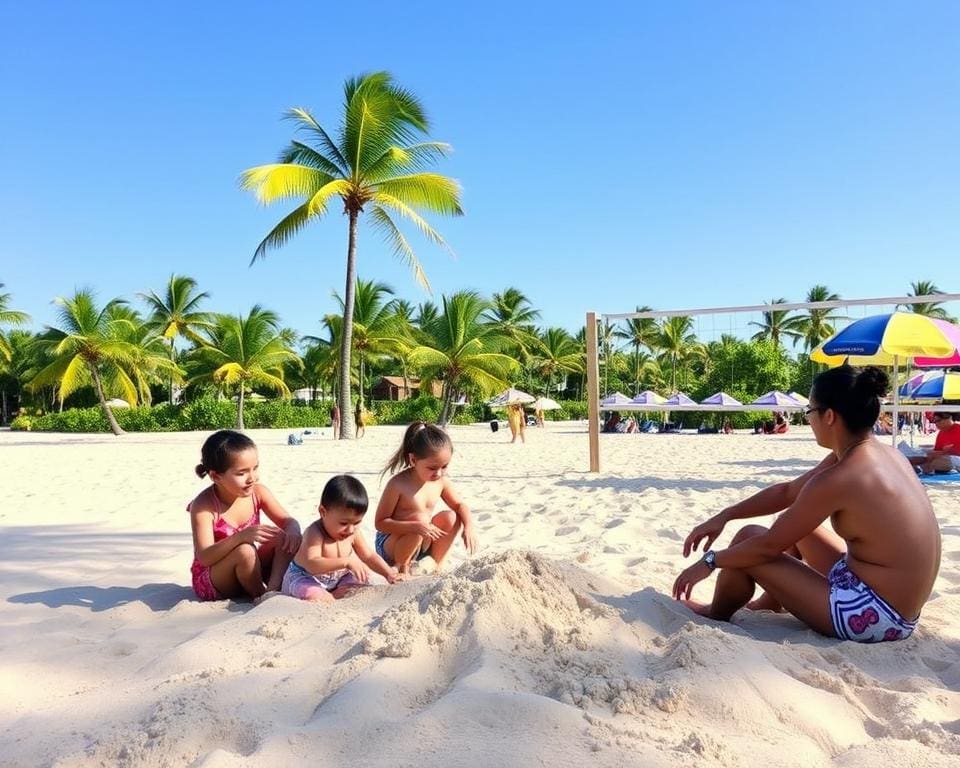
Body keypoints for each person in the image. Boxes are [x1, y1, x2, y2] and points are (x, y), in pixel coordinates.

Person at [673, 365, 941, 643]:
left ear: (828, 416)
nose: (808, 418)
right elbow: (788, 492)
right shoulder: (881, 453)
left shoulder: (843, 475)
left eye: (809, 411)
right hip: (899, 605)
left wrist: (709, 561)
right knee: (785, 524)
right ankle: (770, 601)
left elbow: (767, 547)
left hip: (875, 616)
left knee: (748, 541)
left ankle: (715, 613)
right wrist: (725, 515)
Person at [188, 430, 302, 601]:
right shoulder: (204, 506)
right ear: (215, 476)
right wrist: (240, 537)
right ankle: (259, 595)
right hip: (215, 579)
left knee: (282, 537)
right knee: (245, 551)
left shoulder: (258, 493)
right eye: (241, 473)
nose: (252, 478)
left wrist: (293, 530)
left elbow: (288, 521)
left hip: (249, 568)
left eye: (255, 468)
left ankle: (273, 589)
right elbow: (204, 557)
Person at [375, 422, 479, 574]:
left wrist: (469, 526)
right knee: (419, 522)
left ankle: (436, 564)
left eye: (444, 467)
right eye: (432, 468)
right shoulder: (397, 484)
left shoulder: (441, 481)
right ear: (413, 460)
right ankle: (401, 567)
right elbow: (380, 523)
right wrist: (414, 526)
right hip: (393, 544)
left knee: (452, 516)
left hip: (422, 538)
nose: (438, 473)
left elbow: (459, 505)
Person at [281, 475, 403, 602]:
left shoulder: (353, 532)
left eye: (356, 523)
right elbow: (312, 564)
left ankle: (335, 594)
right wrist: (346, 562)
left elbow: (369, 556)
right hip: (306, 577)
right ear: (323, 512)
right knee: (314, 594)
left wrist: (389, 573)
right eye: (344, 523)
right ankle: (326, 596)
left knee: (362, 583)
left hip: (339, 578)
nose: (350, 529)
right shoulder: (314, 533)